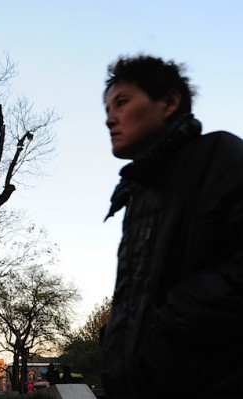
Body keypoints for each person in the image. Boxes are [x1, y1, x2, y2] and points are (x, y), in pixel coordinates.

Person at [100, 54, 243, 399]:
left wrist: (162, 324)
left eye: (122, 102)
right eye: (106, 110)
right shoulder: (138, 192)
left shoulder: (218, 157)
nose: (110, 120)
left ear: (169, 102)